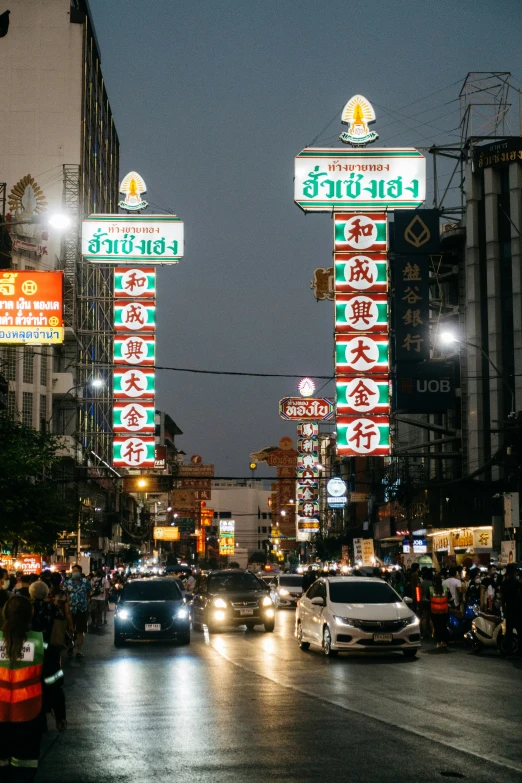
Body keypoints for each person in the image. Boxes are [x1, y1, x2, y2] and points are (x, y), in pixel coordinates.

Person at [0, 595, 45, 780]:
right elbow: (52, 680)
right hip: (30, 715)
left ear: (5, 614)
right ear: (30, 615)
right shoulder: (41, 642)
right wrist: (60, 714)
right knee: (24, 769)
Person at [29, 581, 67, 731]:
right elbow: (61, 621)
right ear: (46, 593)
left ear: (31, 593)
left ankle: (39, 718)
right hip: (50, 651)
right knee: (55, 684)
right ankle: (60, 718)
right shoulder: (52, 607)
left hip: (31, 652)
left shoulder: (27, 608)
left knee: (34, 684)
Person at [64, 564, 90, 658]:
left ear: (80, 572)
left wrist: (84, 602)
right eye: (73, 571)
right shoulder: (67, 582)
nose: (75, 573)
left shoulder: (85, 582)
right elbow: (66, 595)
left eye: (77, 571)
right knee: (70, 629)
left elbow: (88, 593)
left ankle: (78, 650)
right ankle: (70, 647)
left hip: (82, 609)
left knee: (81, 631)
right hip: (71, 610)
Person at [500, 563, 522, 653]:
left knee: (508, 633)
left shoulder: (504, 584)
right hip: (518, 610)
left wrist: (504, 611)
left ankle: (507, 651)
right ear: (514, 572)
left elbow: (502, 599)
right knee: (520, 632)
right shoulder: (517, 584)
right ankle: (520, 651)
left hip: (509, 610)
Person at [429, 574, 450, 649]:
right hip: (444, 611)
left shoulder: (431, 589)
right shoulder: (445, 589)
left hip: (434, 611)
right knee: (443, 626)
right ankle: (444, 642)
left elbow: (428, 599)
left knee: (437, 627)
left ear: (433, 582)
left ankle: (438, 642)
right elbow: (450, 598)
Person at [420, 567, 433, 640]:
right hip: (431, 601)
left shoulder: (423, 582)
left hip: (423, 600)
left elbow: (420, 592)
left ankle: (424, 633)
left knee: (424, 617)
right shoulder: (432, 583)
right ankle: (432, 632)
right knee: (431, 618)